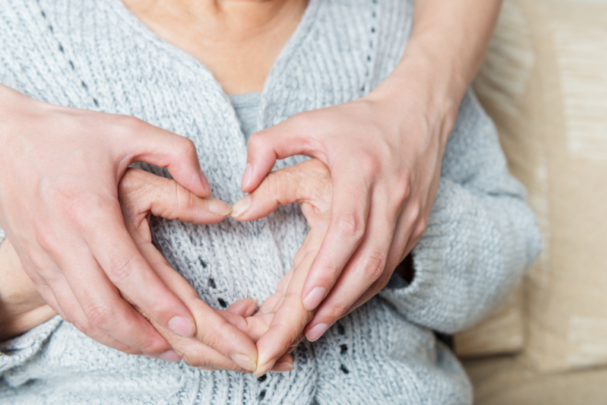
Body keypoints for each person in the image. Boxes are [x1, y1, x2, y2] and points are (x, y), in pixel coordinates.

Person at [0, 0, 542, 403]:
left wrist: (402, 221)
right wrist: (44, 270)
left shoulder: (396, 34)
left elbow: (503, 259)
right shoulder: (17, 42)